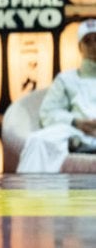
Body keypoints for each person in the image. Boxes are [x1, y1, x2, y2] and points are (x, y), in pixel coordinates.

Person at [17, 19, 96, 173]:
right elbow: (48, 113)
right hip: (78, 133)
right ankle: (31, 188)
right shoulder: (66, 79)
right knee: (38, 140)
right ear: (80, 47)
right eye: (88, 41)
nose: (94, 46)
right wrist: (76, 122)